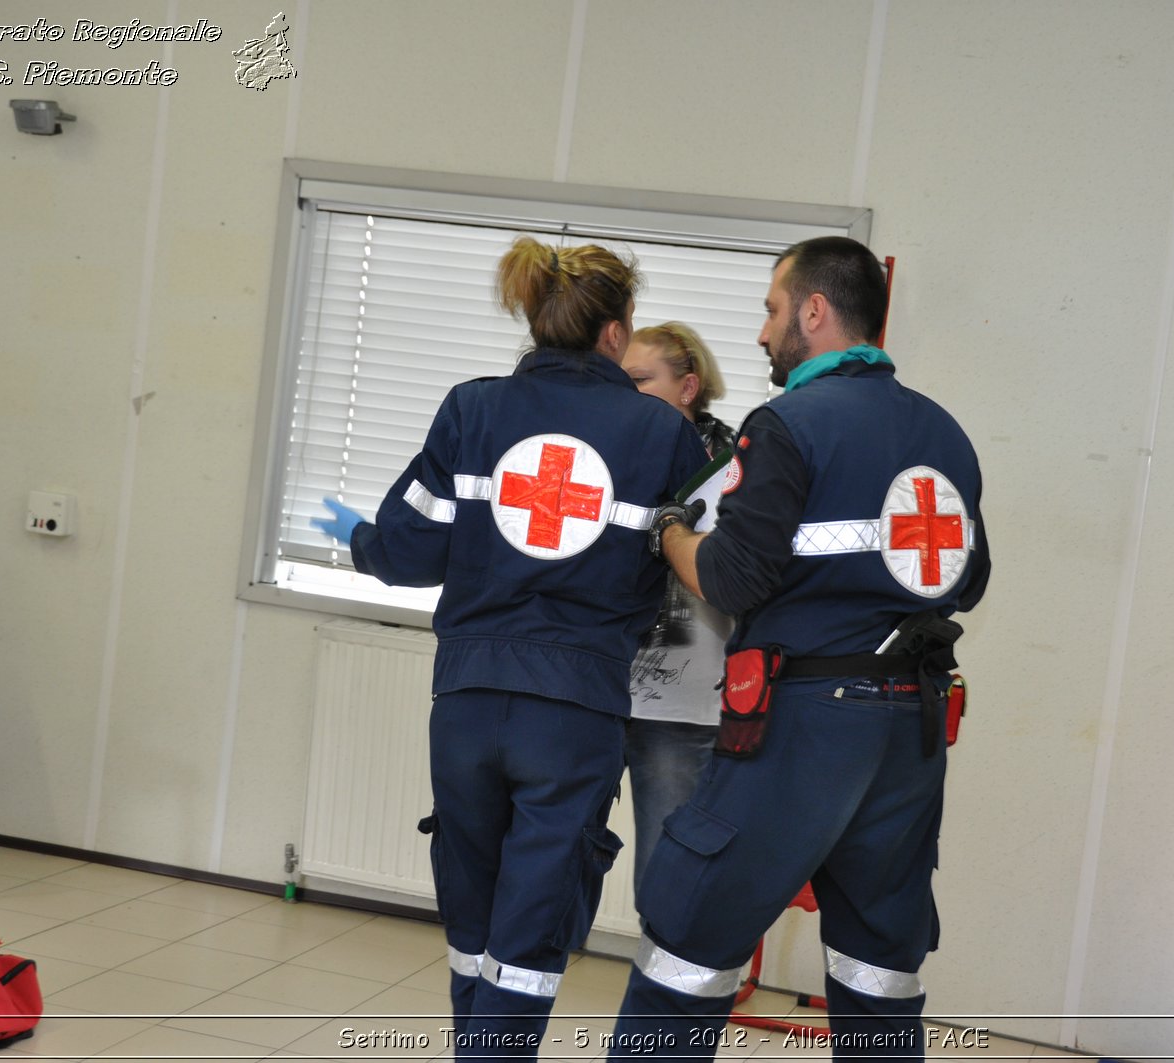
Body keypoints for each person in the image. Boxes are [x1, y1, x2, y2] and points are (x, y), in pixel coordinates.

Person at [313, 236, 708, 1057]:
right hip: (574, 712)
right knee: (535, 917)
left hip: (464, 702)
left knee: (472, 903)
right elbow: (691, 571)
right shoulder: (660, 434)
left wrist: (360, 541)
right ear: (614, 330)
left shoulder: (471, 408)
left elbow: (410, 550)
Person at [609, 236, 991, 1060]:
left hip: (804, 728)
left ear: (814, 311)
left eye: (772, 310)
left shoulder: (787, 424)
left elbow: (732, 578)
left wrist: (671, 529)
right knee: (879, 968)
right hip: (911, 733)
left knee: (686, 937)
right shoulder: (945, 431)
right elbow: (969, 577)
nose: (762, 333)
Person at [620, 323, 737, 895]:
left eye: (641, 380)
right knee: (557, 858)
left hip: (682, 705)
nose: (625, 394)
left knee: (666, 878)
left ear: (688, 388)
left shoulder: (738, 468)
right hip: (597, 685)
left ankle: (664, 986)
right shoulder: (610, 451)